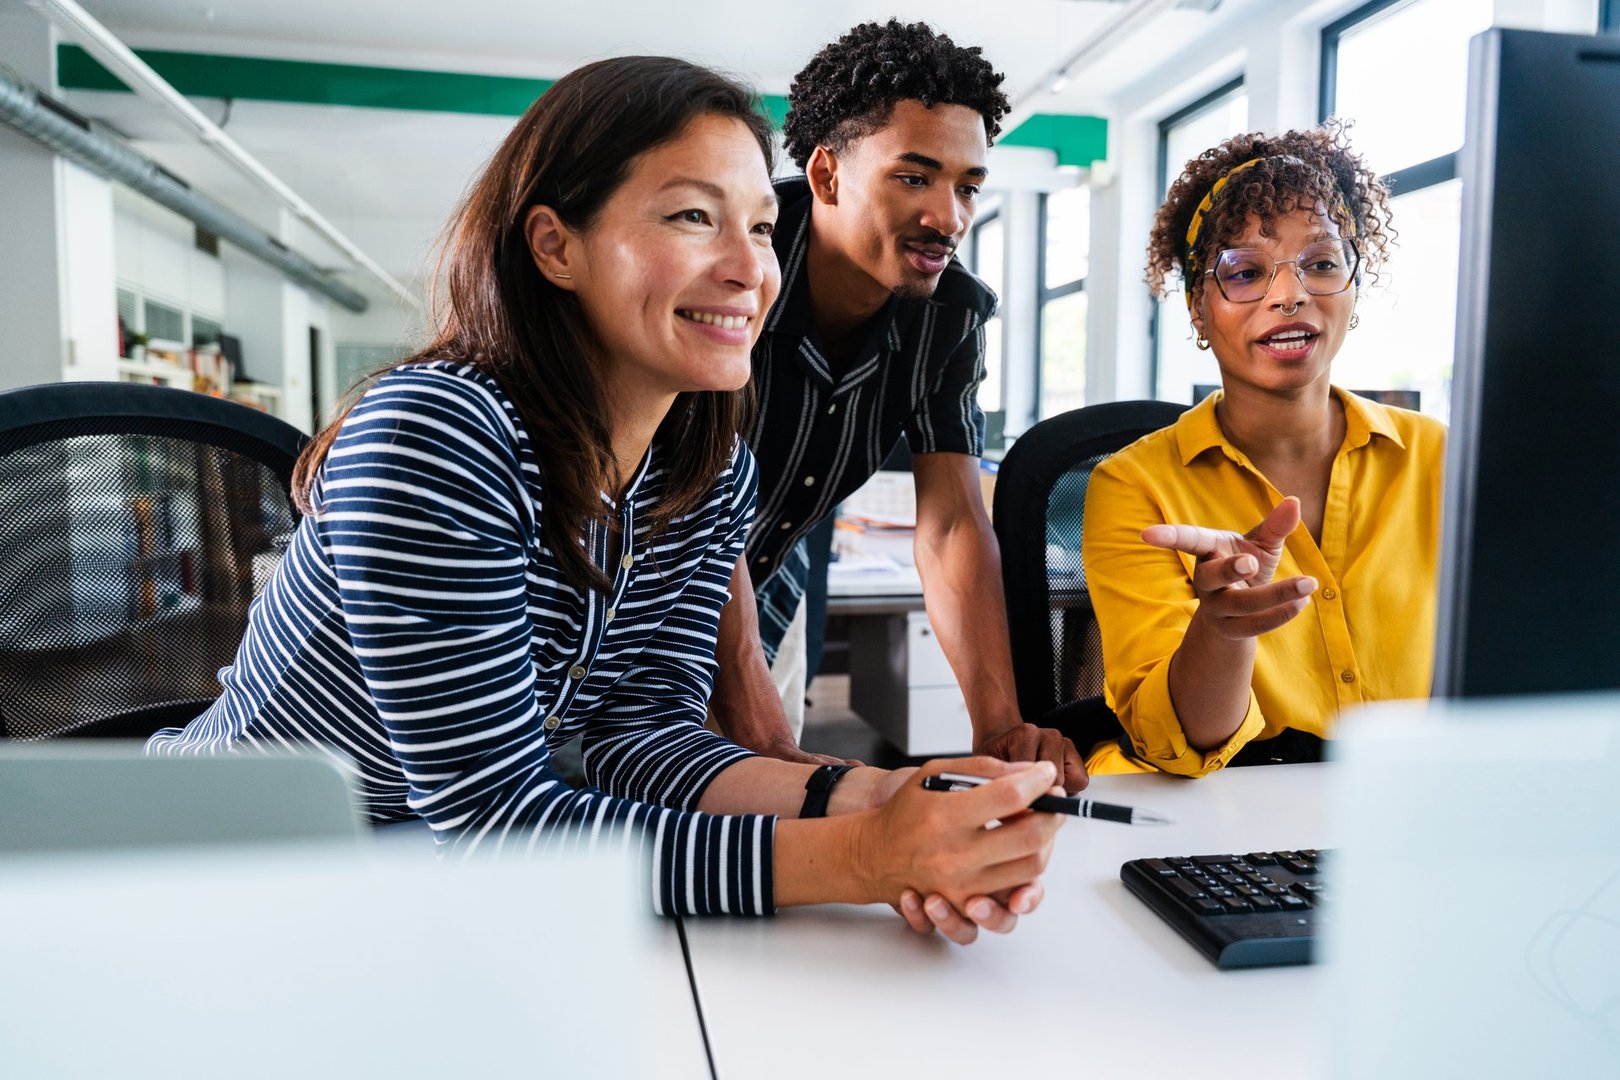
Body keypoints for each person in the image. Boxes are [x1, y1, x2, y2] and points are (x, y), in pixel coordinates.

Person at [147, 57, 1062, 941]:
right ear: (556, 246)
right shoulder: (438, 435)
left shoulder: (707, 476)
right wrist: (860, 857)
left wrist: (878, 798)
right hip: (214, 874)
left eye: (754, 226)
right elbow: (501, 828)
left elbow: (640, 739)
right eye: (693, 217)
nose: (751, 268)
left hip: (410, 874)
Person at [706, 20, 1087, 792]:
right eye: (914, 177)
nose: (949, 216)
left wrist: (999, 727)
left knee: (773, 825)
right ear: (826, 175)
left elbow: (949, 521)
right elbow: (697, 503)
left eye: (968, 186)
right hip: (642, 592)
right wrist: (750, 710)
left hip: (768, 584)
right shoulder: (732, 269)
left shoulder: (948, 316)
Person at [1081, 123, 1445, 777]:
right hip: (1227, 813)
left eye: (1322, 264)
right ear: (1198, 308)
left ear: (1353, 287)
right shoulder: (1134, 487)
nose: (1289, 294)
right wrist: (1220, 630)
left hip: (1424, 801)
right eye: (1245, 272)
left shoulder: (1444, 459)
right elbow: (1186, 742)